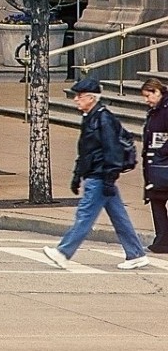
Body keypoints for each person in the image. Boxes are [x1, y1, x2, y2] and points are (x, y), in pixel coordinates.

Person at [43, 77, 150, 269]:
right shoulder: (91, 117)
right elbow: (86, 150)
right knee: (119, 216)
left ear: (91, 98)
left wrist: (109, 178)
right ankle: (136, 254)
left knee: (85, 215)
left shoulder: (103, 118)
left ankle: (63, 252)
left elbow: (112, 151)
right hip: (98, 174)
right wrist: (77, 175)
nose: (76, 99)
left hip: (100, 176)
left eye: (80, 96)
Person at [142, 79, 168, 253]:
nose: (146, 100)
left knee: (158, 199)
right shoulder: (156, 110)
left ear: (157, 92)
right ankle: (162, 240)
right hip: (157, 164)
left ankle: (163, 240)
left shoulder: (164, 110)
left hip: (162, 164)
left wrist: (161, 153)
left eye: (148, 95)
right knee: (157, 199)